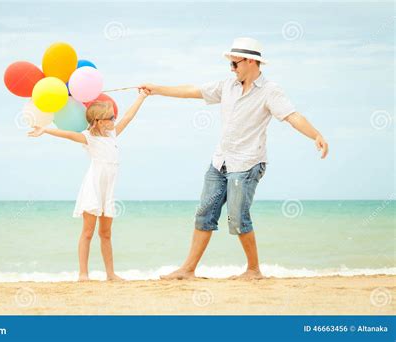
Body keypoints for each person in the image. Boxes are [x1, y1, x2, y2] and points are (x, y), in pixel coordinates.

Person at [140, 37, 329, 280]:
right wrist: (156, 89)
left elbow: (292, 116)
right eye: (230, 64)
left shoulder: (271, 91)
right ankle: (187, 270)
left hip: (248, 163)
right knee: (204, 213)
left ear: (251, 61)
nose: (231, 68)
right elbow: (192, 91)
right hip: (221, 161)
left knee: (238, 217)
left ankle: (253, 270)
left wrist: (316, 135)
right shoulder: (227, 86)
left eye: (234, 63)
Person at [28, 89, 150, 281]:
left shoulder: (113, 135)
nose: (114, 119)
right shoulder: (88, 137)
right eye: (110, 117)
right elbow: (67, 134)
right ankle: (83, 274)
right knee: (87, 232)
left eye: (113, 116)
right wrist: (45, 129)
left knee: (106, 233)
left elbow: (129, 116)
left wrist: (141, 97)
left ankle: (111, 274)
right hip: (93, 188)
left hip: (108, 191)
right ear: (98, 121)